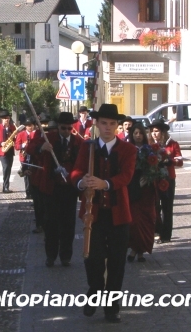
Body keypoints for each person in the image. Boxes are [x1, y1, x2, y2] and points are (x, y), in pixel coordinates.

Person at [71, 104, 136, 323]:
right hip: (94, 214)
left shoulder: (128, 150)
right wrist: (82, 181)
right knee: (93, 258)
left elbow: (125, 177)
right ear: (96, 124)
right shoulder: (87, 147)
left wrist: (104, 183)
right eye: (103, 123)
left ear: (117, 126)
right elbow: (77, 171)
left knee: (117, 262)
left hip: (119, 214)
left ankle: (112, 306)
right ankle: (95, 291)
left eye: (112, 124)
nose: (108, 128)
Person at [29, 112, 83, 267]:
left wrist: (74, 175)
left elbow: (82, 163)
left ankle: (66, 256)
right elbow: (31, 148)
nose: (65, 131)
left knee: (68, 224)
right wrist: (41, 147)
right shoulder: (49, 138)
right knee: (51, 223)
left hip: (69, 189)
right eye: (62, 128)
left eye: (68, 128)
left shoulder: (77, 142)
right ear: (58, 127)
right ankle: (50, 256)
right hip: (51, 188)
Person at [126, 122, 157, 263]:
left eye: (140, 133)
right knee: (133, 220)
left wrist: (149, 177)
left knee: (146, 219)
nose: (138, 136)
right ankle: (133, 248)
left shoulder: (149, 149)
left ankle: (141, 251)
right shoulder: (127, 149)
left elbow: (154, 167)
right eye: (135, 133)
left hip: (146, 189)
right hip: (132, 187)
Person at [150, 121, 183, 243]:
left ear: (163, 132)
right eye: (152, 131)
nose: (154, 134)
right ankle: (156, 231)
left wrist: (170, 160)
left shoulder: (172, 144)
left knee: (167, 207)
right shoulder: (150, 144)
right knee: (154, 206)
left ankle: (166, 235)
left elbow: (180, 161)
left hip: (168, 178)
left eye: (157, 131)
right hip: (153, 178)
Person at [0, 110, 17, 193]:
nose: (7, 120)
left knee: (9, 168)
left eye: (8, 118)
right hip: (2, 151)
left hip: (10, 150)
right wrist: (0, 143)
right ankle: (5, 187)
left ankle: (6, 187)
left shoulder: (12, 127)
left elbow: (15, 138)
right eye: (5, 118)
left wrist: (14, 139)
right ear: (2, 119)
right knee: (6, 166)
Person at [15, 119, 35, 199]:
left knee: (33, 173)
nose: (30, 127)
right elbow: (16, 146)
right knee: (26, 174)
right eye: (28, 126)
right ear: (26, 127)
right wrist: (23, 145)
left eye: (31, 125)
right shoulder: (21, 134)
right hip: (24, 157)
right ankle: (28, 192)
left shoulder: (35, 133)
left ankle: (33, 191)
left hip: (33, 156)